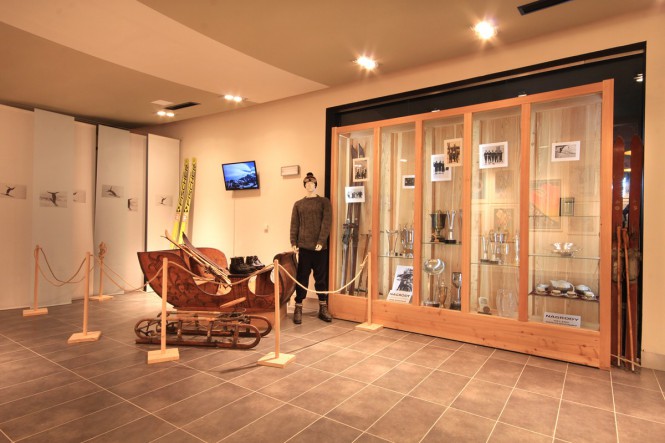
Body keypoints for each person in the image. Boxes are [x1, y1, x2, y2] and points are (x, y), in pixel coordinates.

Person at [290, 172, 333, 324]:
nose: (309, 185)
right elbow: (294, 224)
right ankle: (298, 307)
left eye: (312, 183)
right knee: (302, 277)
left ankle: (323, 307)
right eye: (307, 183)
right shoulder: (298, 204)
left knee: (321, 278)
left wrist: (321, 241)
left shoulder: (324, 202)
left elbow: (326, 223)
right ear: (304, 185)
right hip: (304, 247)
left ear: (315, 185)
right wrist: (293, 242)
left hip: (320, 249)